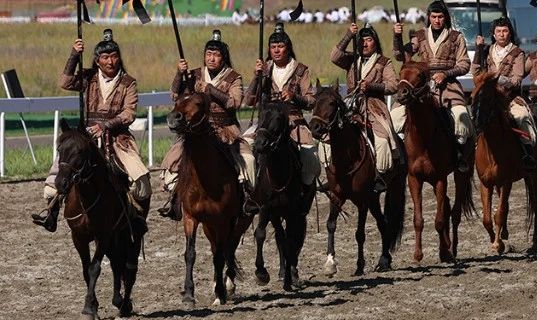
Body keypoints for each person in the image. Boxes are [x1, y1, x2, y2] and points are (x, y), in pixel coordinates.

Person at [32, 30, 150, 232]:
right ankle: (51, 213)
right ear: (97, 60)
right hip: (87, 137)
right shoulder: (88, 78)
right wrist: (74, 55)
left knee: (140, 179)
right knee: (60, 173)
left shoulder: (128, 82)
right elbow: (65, 82)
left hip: (117, 138)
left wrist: (105, 126)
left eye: (114, 56)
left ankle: (136, 217)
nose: (110, 61)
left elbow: (129, 113)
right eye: (105, 57)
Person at [159, 29, 250, 220]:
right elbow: (175, 96)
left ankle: (248, 198)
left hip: (226, 130)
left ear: (223, 57)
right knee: (173, 161)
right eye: (209, 54)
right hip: (196, 131)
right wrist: (179, 74)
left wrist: (210, 89)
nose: (212, 58)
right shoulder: (193, 75)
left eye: (216, 55)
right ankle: (175, 199)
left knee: (247, 161)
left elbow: (234, 102)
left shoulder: (234, 77)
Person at [393, 0, 474, 162]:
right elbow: (401, 56)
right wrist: (397, 36)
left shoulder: (456, 37)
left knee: (462, 117)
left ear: (446, 18)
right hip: (422, 87)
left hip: (449, 86)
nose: (437, 20)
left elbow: (465, 64)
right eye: (434, 17)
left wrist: (446, 73)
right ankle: (403, 153)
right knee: (395, 116)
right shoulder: (420, 36)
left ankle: (460, 154)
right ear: (428, 17)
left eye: (440, 17)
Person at [245, 24, 322, 190]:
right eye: (273, 47)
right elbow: (249, 101)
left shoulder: (301, 70)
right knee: (243, 146)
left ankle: (304, 192)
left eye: (280, 46)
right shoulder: (264, 69)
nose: (276, 50)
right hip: (267, 122)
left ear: (288, 48)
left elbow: (311, 101)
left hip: (294, 120)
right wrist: (256, 77)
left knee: (311, 158)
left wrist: (295, 97)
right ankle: (250, 192)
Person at [331, 22, 401, 187]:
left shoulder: (384, 62)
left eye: (368, 40)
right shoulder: (351, 60)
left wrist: (371, 86)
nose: (364, 43)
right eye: (361, 40)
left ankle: (380, 175)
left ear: (375, 41)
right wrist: (349, 34)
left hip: (374, 106)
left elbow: (393, 86)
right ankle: (333, 175)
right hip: (350, 106)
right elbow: (334, 56)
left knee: (382, 140)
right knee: (329, 135)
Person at [473, 16, 537, 167]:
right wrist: (478, 50)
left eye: (505, 31)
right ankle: (474, 147)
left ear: (510, 33)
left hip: (510, 97)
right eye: (498, 31)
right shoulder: (486, 50)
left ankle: (527, 149)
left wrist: (502, 79)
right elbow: (476, 72)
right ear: (494, 34)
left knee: (521, 116)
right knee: (476, 114)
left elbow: (517, 78)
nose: (502, 34)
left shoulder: (518, 53)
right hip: (490, 97)